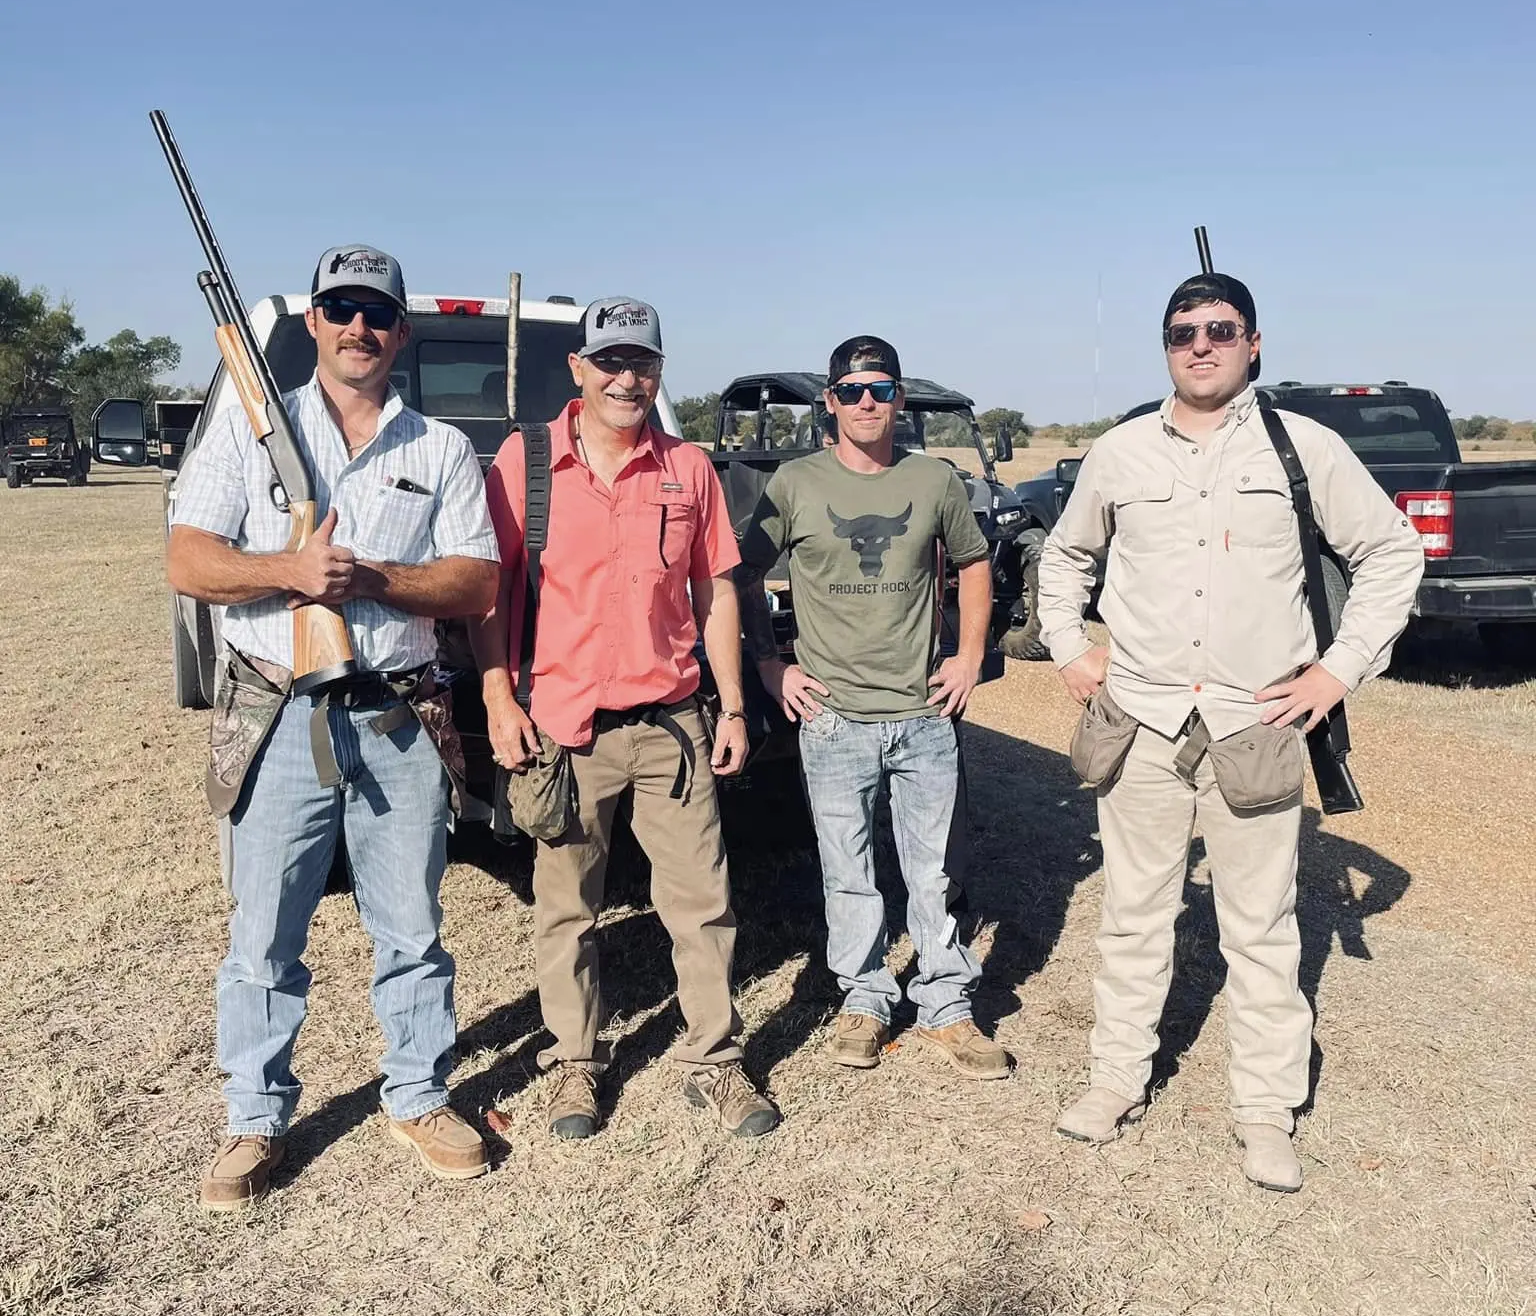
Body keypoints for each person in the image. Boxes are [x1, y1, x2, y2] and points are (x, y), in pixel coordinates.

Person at [1037, 271, 1424, 1192]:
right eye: (1182, 333)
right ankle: (1114, 1082)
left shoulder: (1304, 449)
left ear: (1254, 343)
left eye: (1220, 329)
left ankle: (1265, 1112)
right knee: (1134, 919)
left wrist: (1337, 671)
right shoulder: (1123, 451)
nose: (1200, 345)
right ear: (1165, 347)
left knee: (1261, 928)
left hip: (1255, 722)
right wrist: (1066, 647)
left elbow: (1391, 551)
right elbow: (1065, 555)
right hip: (1142, 722)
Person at [168, 245, 502, 1209]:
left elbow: (475, 580)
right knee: (264, 934)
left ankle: (419, 1092)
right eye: (341, 308)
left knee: (412, 927)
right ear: (313, 322)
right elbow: (190, 561)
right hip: (280, 714)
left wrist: (367, 581)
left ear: (402, 332)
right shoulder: (249, 420)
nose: (360, 326)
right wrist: (291, 572)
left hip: (399, 716)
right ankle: (254, 1114)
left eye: (378, 313)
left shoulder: (436, 447)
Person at [473, 297, 778, 1142]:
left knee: (702, 901)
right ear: (578, 369)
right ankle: (576, 1059)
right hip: (564, 730)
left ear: (659, 371)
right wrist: (499, 696)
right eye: (608, 361)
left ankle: (714, 1061)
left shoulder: (689, 470)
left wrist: (733, 707)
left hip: (672, 723)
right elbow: (490, 593)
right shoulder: (524, 462)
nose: (625, 377)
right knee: (567, 905)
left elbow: (715, 593)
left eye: (641, 362)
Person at [737, 335, 1009, 1080]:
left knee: (933, 872)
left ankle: (948, 1007)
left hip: (923, 714)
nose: (866, 402)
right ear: (829, 401)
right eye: (852, 389)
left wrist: (967, 657)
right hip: (832, 720)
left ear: (898, 399)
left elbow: (975, 563)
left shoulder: (935, 481)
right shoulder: (795, 483)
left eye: (880, 389)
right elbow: (743, 572)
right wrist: (770, 664)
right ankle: (863, 998)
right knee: (848, 869)